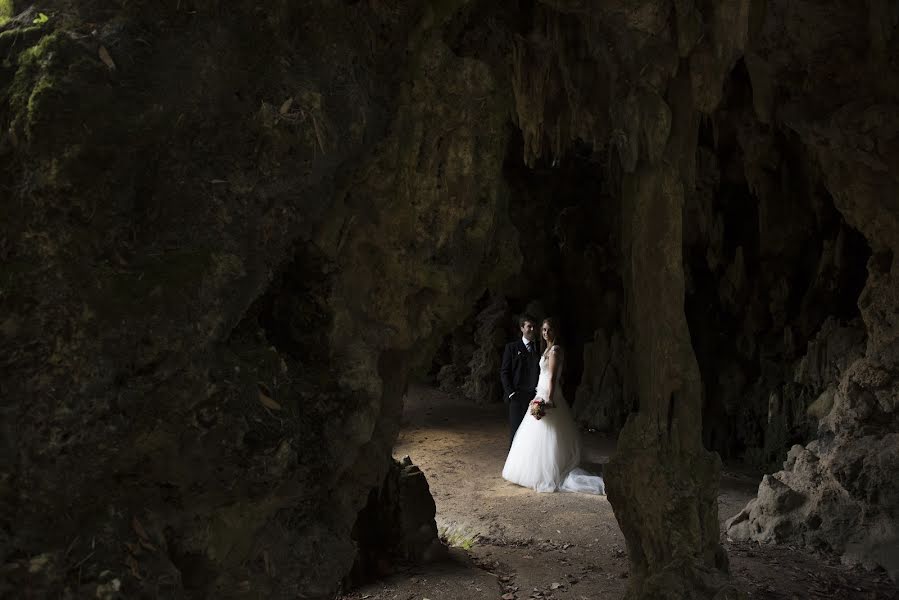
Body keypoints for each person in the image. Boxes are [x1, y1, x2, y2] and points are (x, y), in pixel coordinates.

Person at [502, 317, 605, 494]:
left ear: (555, 331)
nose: (545, 333)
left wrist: (548, 399)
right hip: (540, 392)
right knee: (534, 434)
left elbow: (552, 377)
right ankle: (532, 471)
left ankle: (547, 472)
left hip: (548, 395)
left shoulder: (555, 351)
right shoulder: (546, 349)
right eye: (543, 330)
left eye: (549, 330)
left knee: (547, 435)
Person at [500, 314, 540, 447]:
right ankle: (514, 465)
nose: (532, 329)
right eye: (529, 326)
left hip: (534, 398)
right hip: (517, 397)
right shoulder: (511, 348)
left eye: (534, 327)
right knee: (516, 432)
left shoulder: (539, 348)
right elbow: (504, 372)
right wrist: (511, 393)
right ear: (522, 328)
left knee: (534, 433)